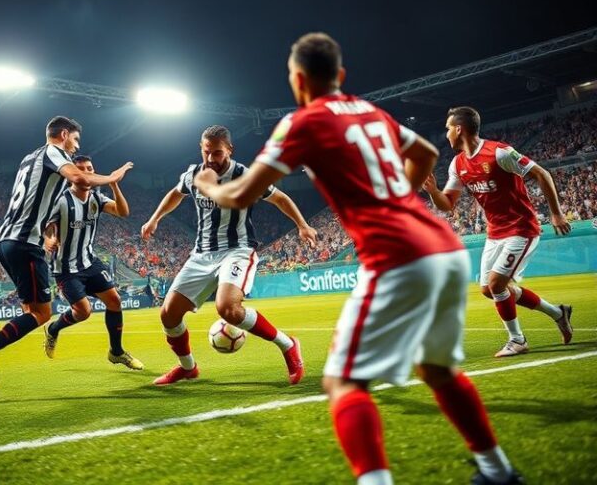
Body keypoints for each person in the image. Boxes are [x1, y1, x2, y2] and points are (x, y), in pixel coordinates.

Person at [193, 33, 523, 484]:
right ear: (341, 76)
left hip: (396, 253)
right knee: (437, 370)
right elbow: (426, 153)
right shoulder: (371, 111)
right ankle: (498, 470)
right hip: (442, 247)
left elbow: (239, 194)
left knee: (344, 384)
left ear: (297, 79)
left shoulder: (302, 123)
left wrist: (208, 184)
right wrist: (398, 195)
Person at [0, 116, 134, 392]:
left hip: (6, 242)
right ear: (64, 134)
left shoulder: (28, 159)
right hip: (25, 244)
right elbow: (77, 177)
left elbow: (39, 203)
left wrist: (50, 234)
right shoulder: (52, 152)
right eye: (75, 140)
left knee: (31, 311)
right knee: (42, 314)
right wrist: (112, 177)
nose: (76, 147)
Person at [141, 125, 317, 386]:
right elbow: (175, 194)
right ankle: (188, 368)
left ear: (230, 150)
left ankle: (288, 344)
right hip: (201, 254)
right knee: (168, 315)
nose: (212, 158)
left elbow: (280, 198)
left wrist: (302, 225)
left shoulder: (245, 175)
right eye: (207, 152)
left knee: (228, 309)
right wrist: (155, 218)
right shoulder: (193, 174)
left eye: (218, 153)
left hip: (237, 250)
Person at [423, 106, 573, 357]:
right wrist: (433, 192)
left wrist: (556, 213)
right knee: (489, 289)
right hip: (495, 233)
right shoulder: (457, 164)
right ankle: (559, 313)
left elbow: (541, 174)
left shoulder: (499, 153)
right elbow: (447, 205)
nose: (446, 133)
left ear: (459, 129)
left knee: (496, 284)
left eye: (448, 128)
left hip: (521, 228)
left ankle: (517, 340)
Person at [42, 155, 143, 370]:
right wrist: (49, 239)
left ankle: (116, 352)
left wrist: (114, 185)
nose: (87, 172)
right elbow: (48, 226)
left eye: (90, 168)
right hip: (66, 268)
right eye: (81, 169)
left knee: (114, 301)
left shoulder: (97, 198)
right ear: (72, 175)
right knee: (84, 312)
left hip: (90, 262)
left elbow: (123, 212)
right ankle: (53, 328)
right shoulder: (61, 200)